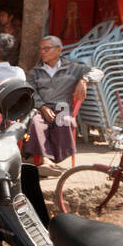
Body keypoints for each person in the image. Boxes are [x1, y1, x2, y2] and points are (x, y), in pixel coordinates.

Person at [24, 35, 90, 165]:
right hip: (40, 108)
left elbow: (97, 72)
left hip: (62, 108)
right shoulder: (35, 72)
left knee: (64, 121)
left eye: (47, 49)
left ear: (59, 50)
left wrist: (84, 79)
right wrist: (42, 107)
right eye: (41, 49)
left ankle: (54, 159)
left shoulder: (73, 68)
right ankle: (44, 159)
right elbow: (31, 92)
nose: (42, 52)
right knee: (35, 122)